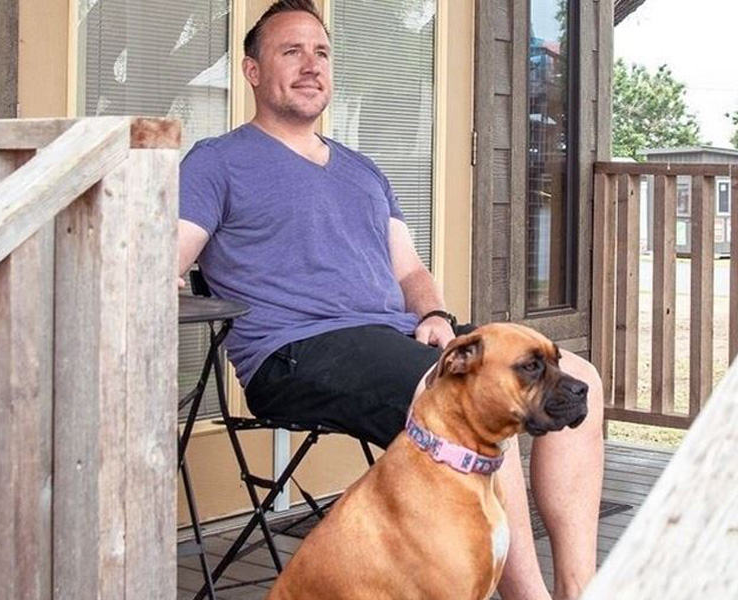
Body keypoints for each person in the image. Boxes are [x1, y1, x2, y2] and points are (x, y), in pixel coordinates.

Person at [176, 1, 604, 598]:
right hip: (297, 349)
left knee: (580, 375)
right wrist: (160, 271)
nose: (311, 65)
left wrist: (431, 313)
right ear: (252, 71)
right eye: (291, 51)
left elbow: (411, 270)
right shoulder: (216, 162)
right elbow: (171, 253)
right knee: (480, 404)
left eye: (321, 53)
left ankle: (578, 589)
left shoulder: (362, 170)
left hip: (396, 336)